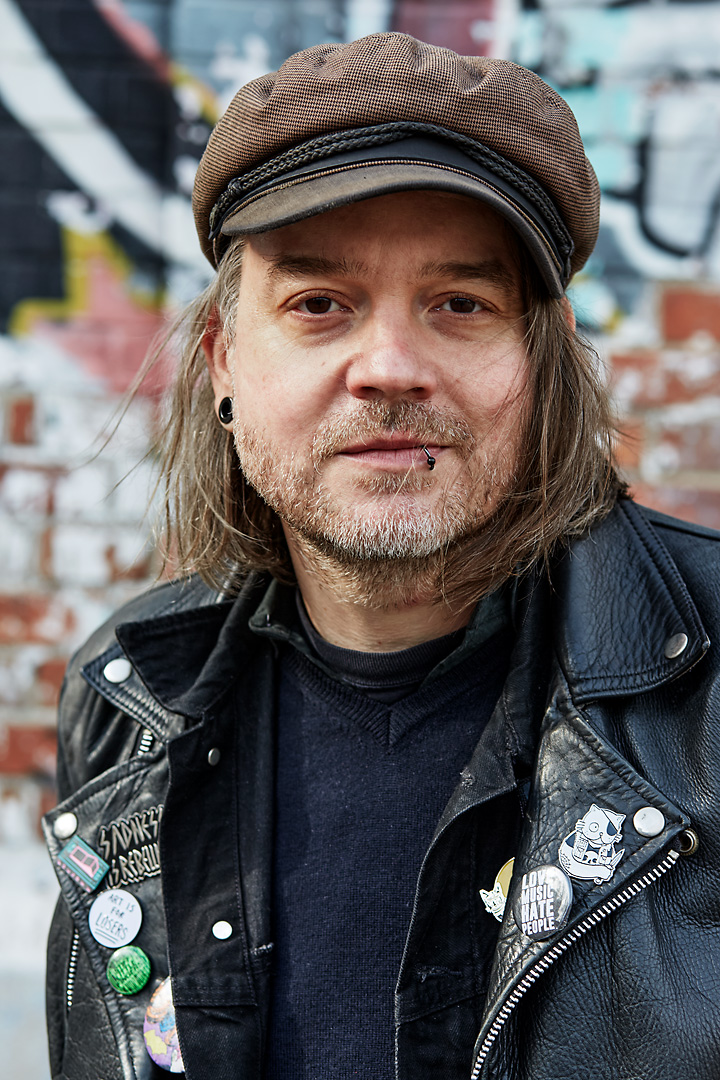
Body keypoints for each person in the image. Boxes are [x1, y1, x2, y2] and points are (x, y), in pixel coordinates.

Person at [44, 32, 720, 1080]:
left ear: (538, 366)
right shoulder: (128, 703)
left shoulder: (706, 696)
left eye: (461, 304)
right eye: (319, 305)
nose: (391, 368)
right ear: (225, 362)